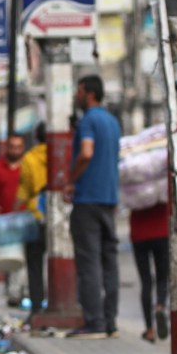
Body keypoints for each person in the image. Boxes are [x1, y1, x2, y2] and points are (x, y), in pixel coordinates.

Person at [66, 74, 121, 338]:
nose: (76, 96)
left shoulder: (88, 120)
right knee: (109, 262)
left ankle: (94, 322)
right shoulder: (112, 121)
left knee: (88, 262)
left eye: (78, 91)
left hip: (87, 199)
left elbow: (86, 152)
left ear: (88, 93)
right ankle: (110, 322)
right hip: (109, 198)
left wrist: (71, 179)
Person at [16, 131, 49, 316]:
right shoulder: (65, 153)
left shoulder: (29, 158)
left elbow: (23, 190)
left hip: (35, 217)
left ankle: (37, 306)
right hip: (61, 219)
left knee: (34, 264)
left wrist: (13, 212)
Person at [130, 198, 170, 343]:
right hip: (161, 231)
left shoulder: (135, 176)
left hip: (139, 233)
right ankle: (160, 306)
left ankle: (149, 330)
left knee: (146, 281)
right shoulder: (161, 176)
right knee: (162, 277)